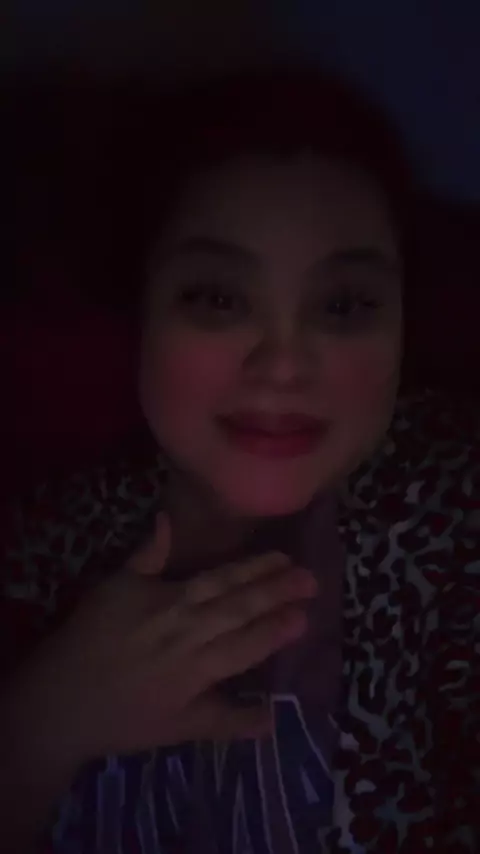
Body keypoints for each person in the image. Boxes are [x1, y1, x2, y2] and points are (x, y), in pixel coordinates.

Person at [1, 67, 479, 854]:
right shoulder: (34, 551)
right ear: (141, 310)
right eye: (219, 299)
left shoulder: (457, 514)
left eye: (344, 306)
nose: (283, 365)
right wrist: (41, 725)